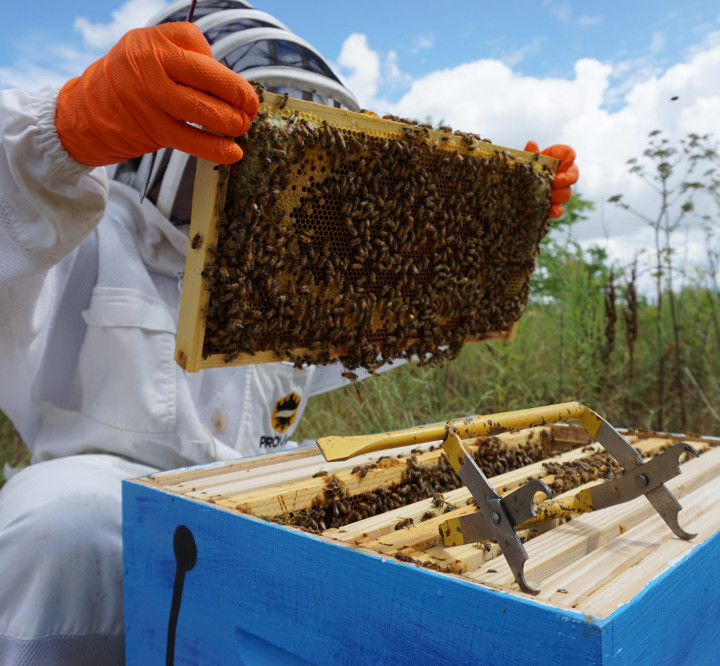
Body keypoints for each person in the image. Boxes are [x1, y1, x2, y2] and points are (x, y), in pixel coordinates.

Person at [0, 1, 578, 663]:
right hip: (104, 495)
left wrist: (494, 229)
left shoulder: (299, 279)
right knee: (65, 526)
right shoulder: (79, 228)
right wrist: (63, 129)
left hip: (255, 487)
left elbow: (401, 312)